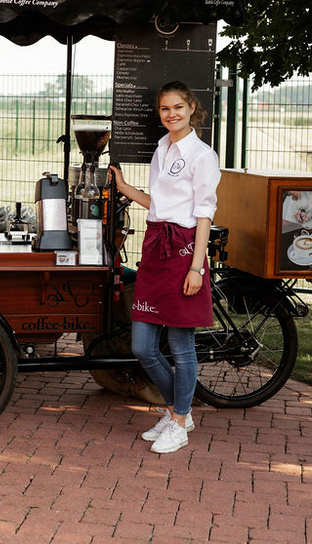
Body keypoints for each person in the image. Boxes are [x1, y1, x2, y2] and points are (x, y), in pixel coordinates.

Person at [109, 81, 220, 454]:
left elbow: (203, 215)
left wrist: (196, 268)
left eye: (178, 107)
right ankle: (177, 411)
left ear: (191, 108)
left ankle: (180, 421)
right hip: (157, 247)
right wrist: (125, 188)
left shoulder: (202, 156)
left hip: (185, 250)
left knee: (180, 346)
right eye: (165, 109)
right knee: (143, 346)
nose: (171, 114)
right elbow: (158, 204)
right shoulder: (162, 148)